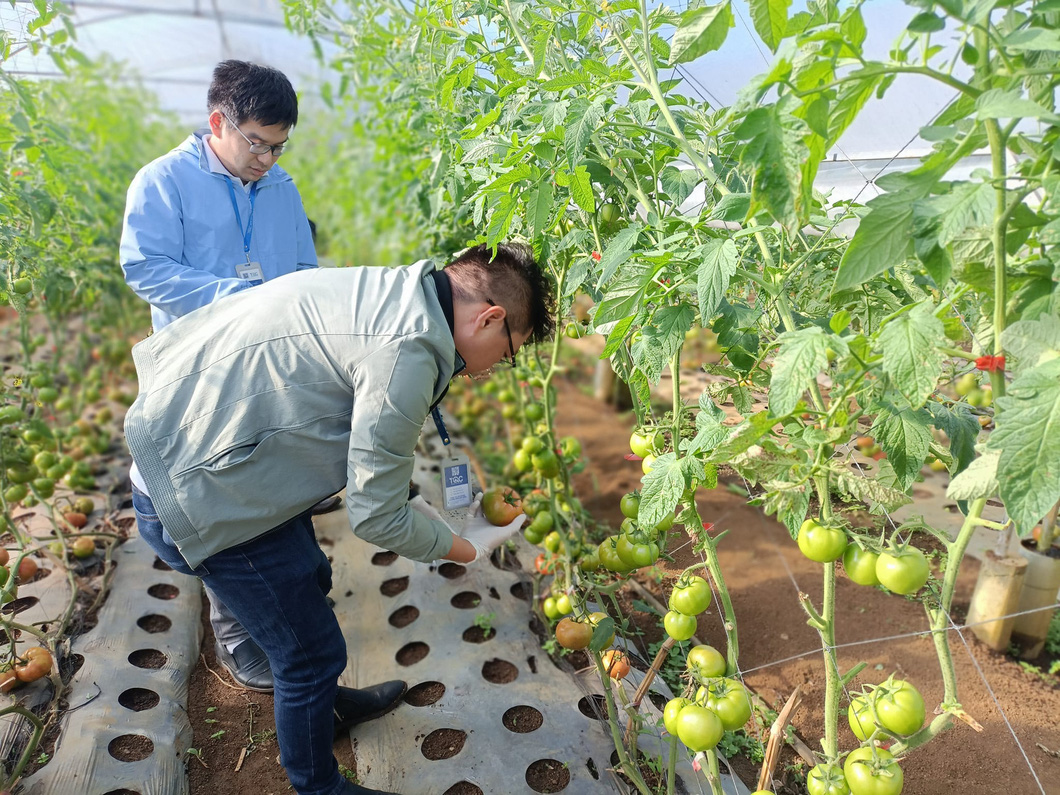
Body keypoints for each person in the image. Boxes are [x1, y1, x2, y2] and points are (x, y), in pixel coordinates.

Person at [124, 243, 555, 795]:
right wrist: (467, 547)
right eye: (509, 350)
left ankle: (331, 707)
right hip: (203, 492)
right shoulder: (410, 348)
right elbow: (375, 517)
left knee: (310, 575)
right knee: (308, 655)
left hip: (215, 450)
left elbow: (370, 447)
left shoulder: (401, 291)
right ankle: (318, 785)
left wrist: (416, 504)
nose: (494, 368)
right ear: (490, 317)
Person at [119, 60, 320, 691]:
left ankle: (291, 603)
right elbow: (144, 267)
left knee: (274, 483)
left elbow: (304, 271)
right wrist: (231, 297)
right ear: (218, 123)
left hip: (265, 368)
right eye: (256, 143)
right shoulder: (164, 181)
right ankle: (237, 638)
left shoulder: (282, 188)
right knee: (218, 498)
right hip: (195, 371)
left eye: (278, 146)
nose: (267, 159)